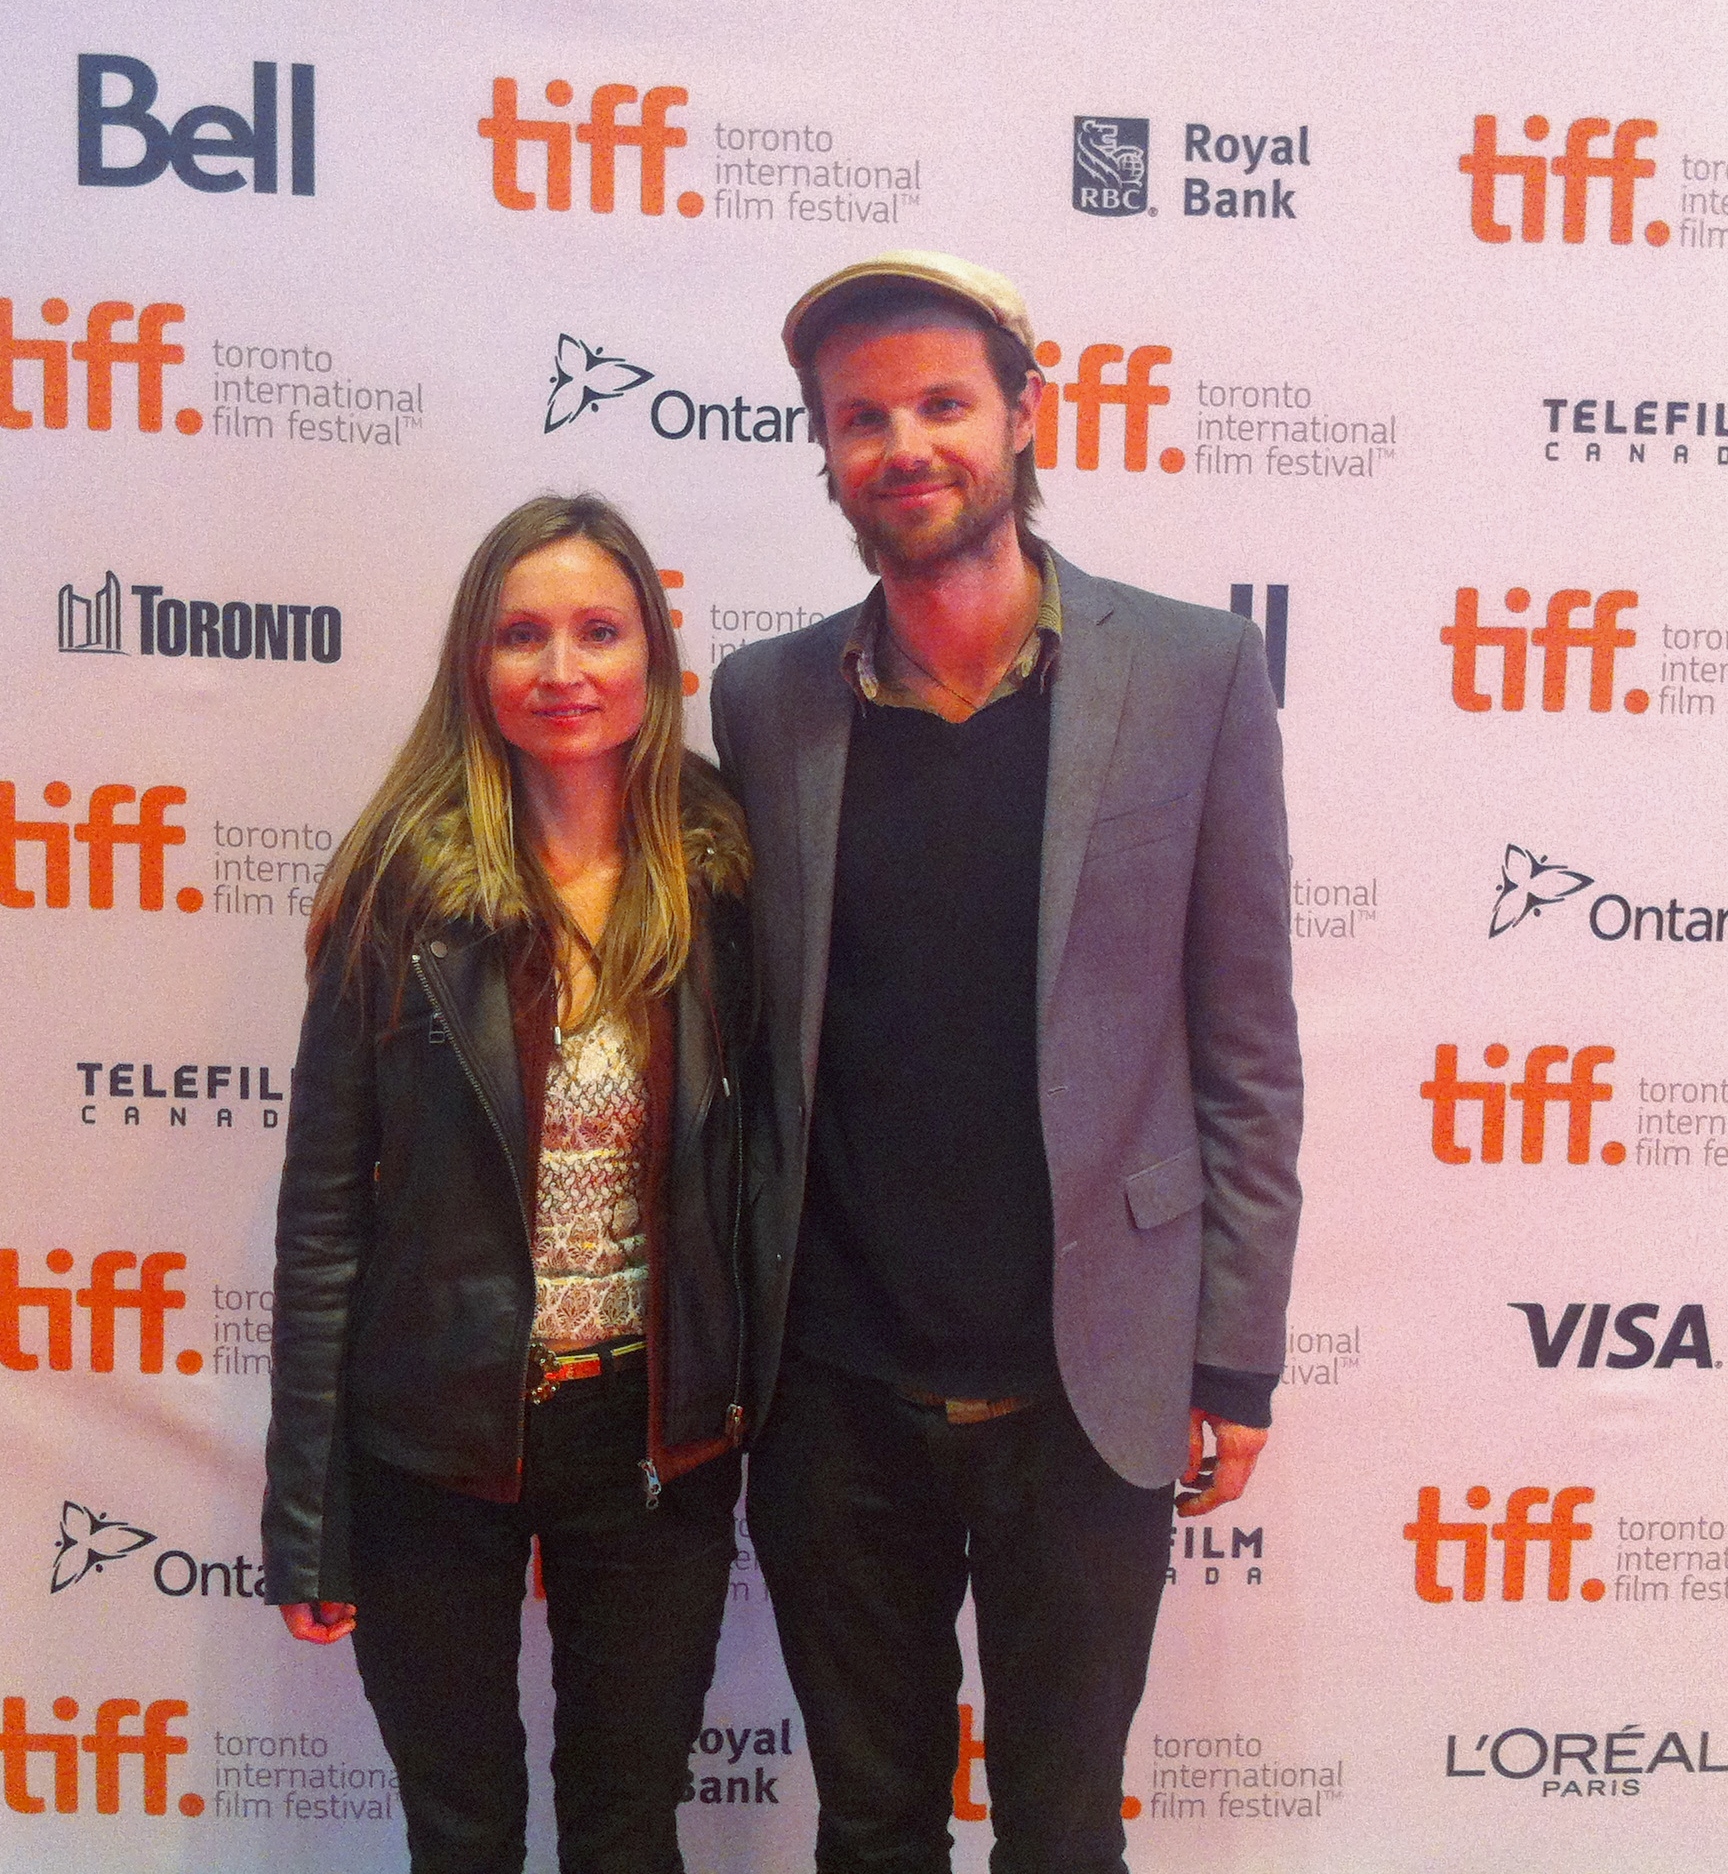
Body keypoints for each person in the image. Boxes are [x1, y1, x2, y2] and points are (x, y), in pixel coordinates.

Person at [709, 253, 1303, 1874]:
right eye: (861, 417)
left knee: (1062, 1831)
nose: (905, 442)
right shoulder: (763, 699)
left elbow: (1249, 1045)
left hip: (1092, 1383)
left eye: (943, 403)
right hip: (831, 1388)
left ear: (1026, 416)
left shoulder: (1190, 673)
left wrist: (1235, 1353)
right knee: (875, 1826)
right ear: (826, 452)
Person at [261, 493, 752, 1874]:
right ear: (473, 666)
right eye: (522, 635)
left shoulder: (719, 867)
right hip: (432, 1441)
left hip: (654, 1438)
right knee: (462, 1830)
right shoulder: (399, 887)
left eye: (600, 630)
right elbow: (322, 1217)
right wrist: (309, 1515)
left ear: (653, 658)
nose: (563, 669)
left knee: (624, 1825)